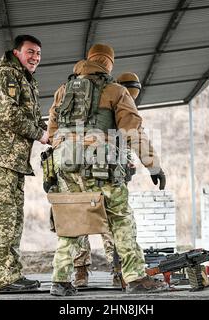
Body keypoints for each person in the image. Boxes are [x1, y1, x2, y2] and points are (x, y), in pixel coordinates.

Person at [47, 44, 167, 296]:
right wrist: (153, 166)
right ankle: (135, 278)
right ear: (107, 63)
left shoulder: (62, 91)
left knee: (72, 220)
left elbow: (52, 133)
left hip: (66, 164)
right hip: (100, 164)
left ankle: (60, 280)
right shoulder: (115, 90)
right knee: (121, 219)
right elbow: (133, 131)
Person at [0, 35, 49, 292]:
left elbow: (35, 118)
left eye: (38, 53)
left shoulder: (26, 80)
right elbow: (9, 114)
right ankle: (4, 279)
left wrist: (50, 132)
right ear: (16, 52)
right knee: (4, 219)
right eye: (30, 52)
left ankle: (12, 275)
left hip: (13, 161)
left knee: (14, 220)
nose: (35, 57)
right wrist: (40, 134)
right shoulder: (4, 75)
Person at [72, 72, 145, 289]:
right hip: (91, 170)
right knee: (99, 222)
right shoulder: (104, 102)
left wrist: (128, 162)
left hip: (100, 172)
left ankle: (109, 271)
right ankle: (87, 271)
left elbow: (127, 142)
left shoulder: (110, 101)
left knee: (93, 222)